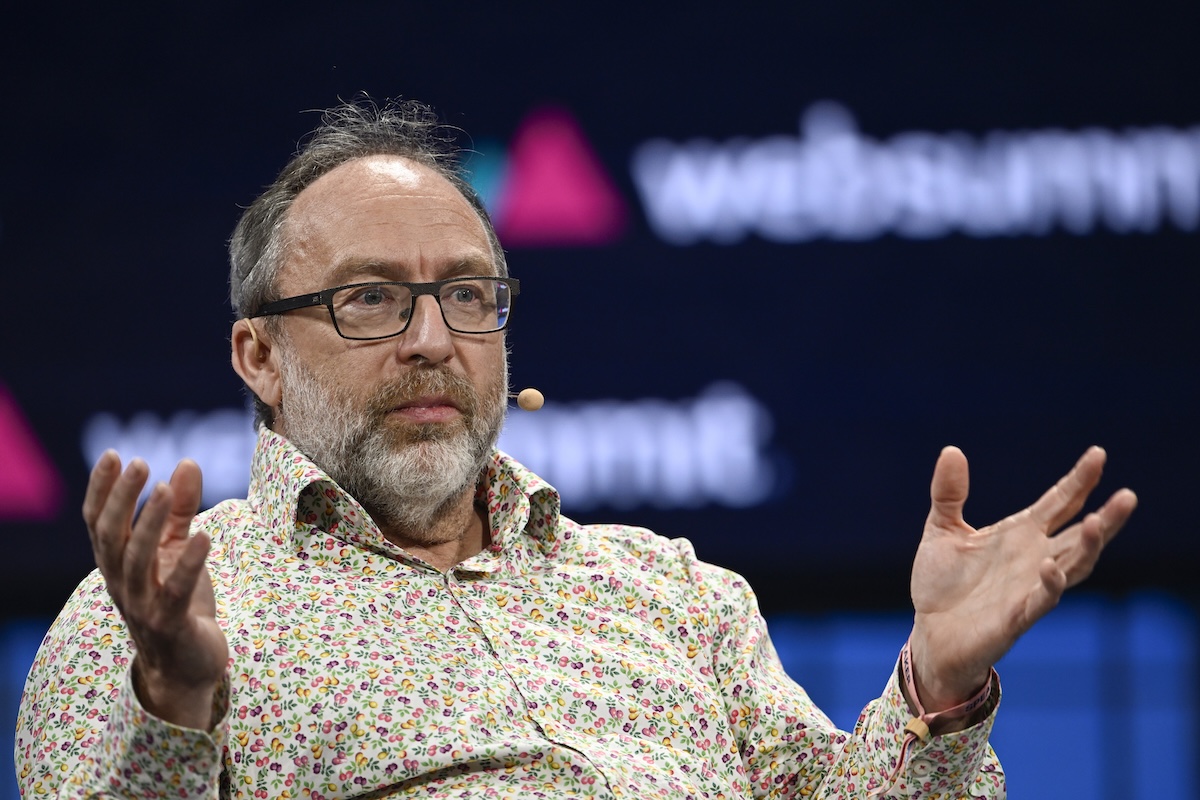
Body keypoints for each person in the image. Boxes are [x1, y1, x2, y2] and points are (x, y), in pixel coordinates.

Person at [16, 98, 1136, 799]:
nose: (430, 341)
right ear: (259, 355)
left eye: (467, 295)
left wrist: (936, 686)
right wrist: (171, 700)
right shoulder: (158, 615)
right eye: (369, 300)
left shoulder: (667, 588)